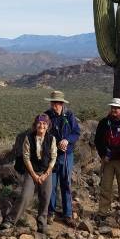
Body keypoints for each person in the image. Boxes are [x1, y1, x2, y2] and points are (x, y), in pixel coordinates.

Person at [0, 114, 57, 234]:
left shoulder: (51, 139)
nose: (42, 125)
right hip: (31, 171)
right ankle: (10, 220)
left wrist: (45, 174)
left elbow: (53, 157)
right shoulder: (29, 138)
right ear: (35, 124)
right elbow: (26, 158)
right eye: (39, 123)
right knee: (25, 195)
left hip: (45, 171)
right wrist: (34, 175)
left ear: (48, 126)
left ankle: (42, 224)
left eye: (44, 123)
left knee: (46, 196)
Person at [94, 98, 120, 223]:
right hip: (108, 159)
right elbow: (98, 140)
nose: (113, 110)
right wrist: (102, 154)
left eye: (116, 108)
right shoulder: (104, 123)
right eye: (112, 107)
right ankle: (102, 212)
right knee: (105, 186)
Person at [44, 91, 81, 226]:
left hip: (66, 155)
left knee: (66, 184)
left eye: (56, 103)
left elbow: (76, 132)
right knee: (51, 185)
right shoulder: (46, 116)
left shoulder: (69, 115)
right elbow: (41, 133)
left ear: (61, 103)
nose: (53, 105)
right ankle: (51, 212)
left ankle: (68, 214)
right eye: (52, 102)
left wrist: (67, 140)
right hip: (51, 156)